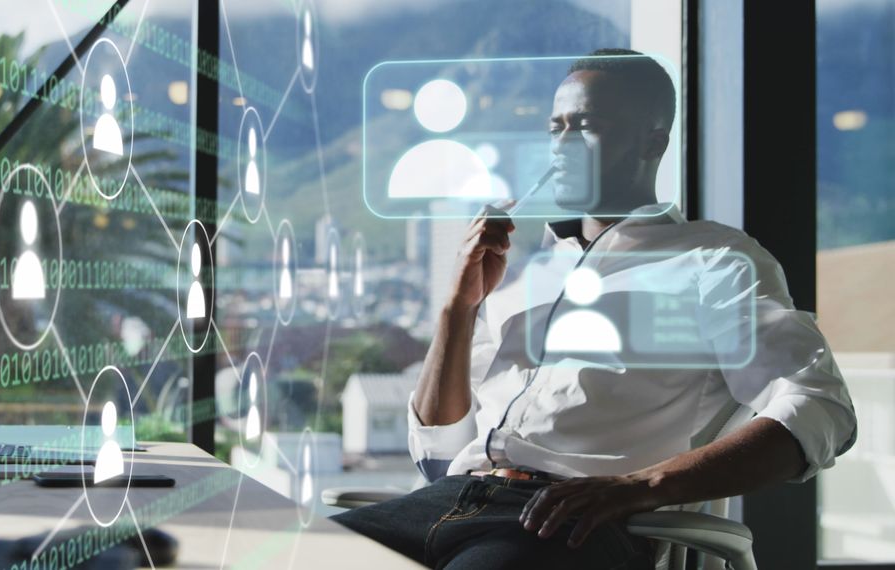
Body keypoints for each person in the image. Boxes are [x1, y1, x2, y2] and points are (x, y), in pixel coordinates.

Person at [331, 48, 857, 569]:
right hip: (448, 504)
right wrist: (458, 308)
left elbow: (820, 407)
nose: (562, 144)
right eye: (556, 126)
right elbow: (440, 454)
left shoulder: (714, 260)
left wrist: (642, 486)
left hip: (566, 525)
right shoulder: (519, 269)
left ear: (654, 141)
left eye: (586, 125)